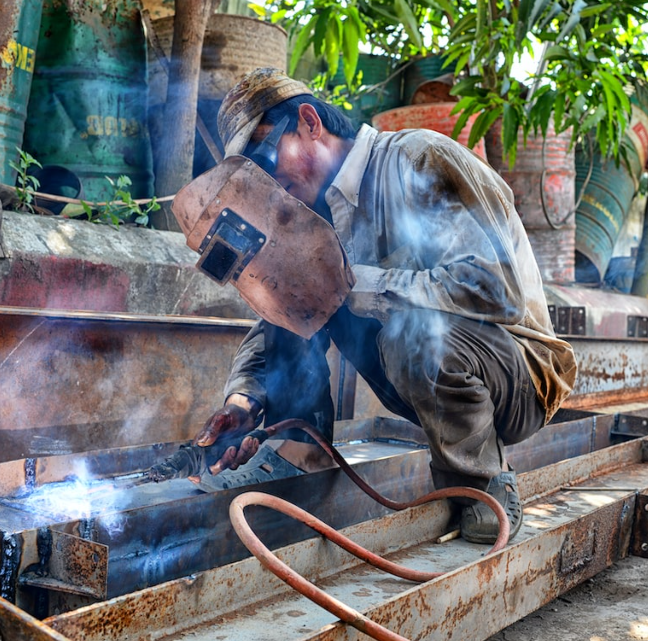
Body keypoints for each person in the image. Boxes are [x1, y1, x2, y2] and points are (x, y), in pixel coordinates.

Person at [189, 67, 577, 544]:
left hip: (516, 370)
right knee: (292, 283)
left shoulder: (419, 158)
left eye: (266, 160)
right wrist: (244, 399)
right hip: (433, 373)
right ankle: (300, 451)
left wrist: (354, 284)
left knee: (407, 332)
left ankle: (482, 484)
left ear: (310, 122)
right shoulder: (312, 216)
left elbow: (498, 289)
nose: (267, 184)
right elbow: (281, 317)